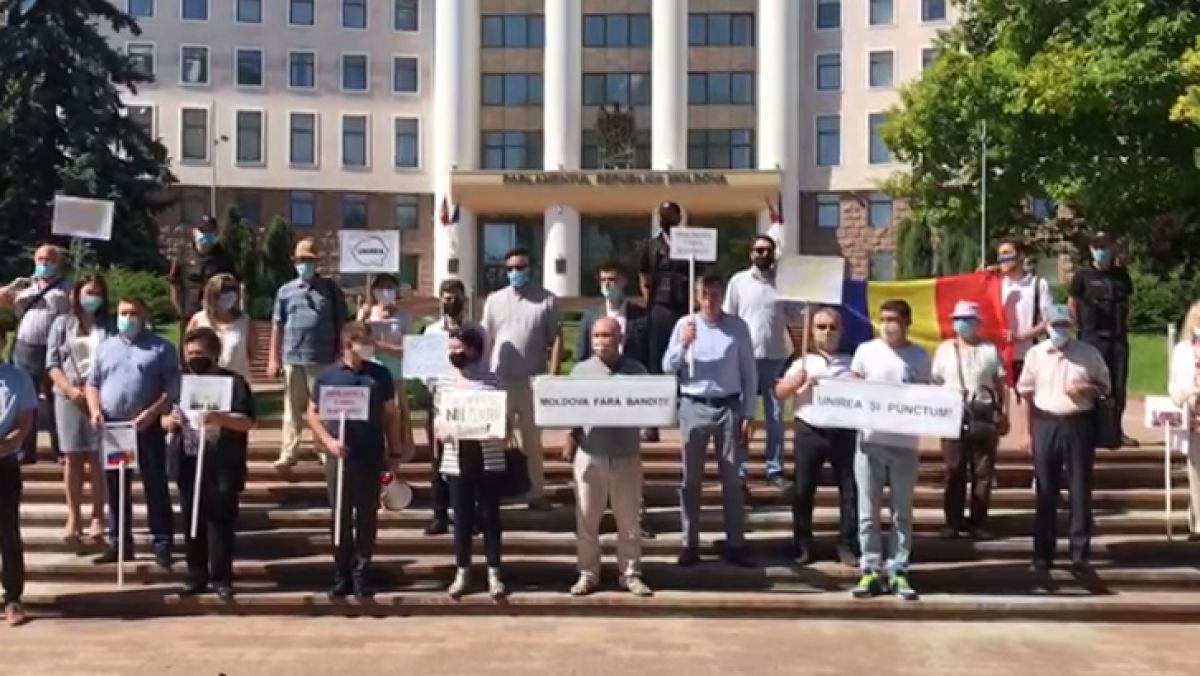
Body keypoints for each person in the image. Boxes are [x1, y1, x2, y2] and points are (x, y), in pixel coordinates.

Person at [307, 323, 409, 600]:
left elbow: (390, 415)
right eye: (363, 342)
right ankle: (342, 573)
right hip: (339, 457)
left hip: (370, 453)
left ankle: (362, 571)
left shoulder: (379, 374)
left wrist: (395, 452)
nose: (368, 347)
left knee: (366, 515)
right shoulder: (328, 376)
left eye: (370, 342)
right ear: (347, 344)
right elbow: (312, 413)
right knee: (340, 515)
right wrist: (328, 441)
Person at [663, 274, 757, 568]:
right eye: (705, 293)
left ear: (722, 296)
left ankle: (736, 543)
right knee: (691, 479)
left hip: (728, 406)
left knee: (732, 479)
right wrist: (683, 345)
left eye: (715, 293)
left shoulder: (737, 328)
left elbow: (749, 373)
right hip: (694, 405)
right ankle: (689, 542)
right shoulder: (685, 324)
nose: (710, 299)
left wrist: (749, 413)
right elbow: (667, 367)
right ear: (697, 296)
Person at [86, 297, 180, 569]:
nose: (128, 318)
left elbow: (172, 388)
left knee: (155, 484)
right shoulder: (106, 348)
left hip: (147, 427)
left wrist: (152, 412)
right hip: (115, 428)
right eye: (123, 313)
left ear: (144, 315)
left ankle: (162, 542)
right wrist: (95, 410)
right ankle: (119, 543)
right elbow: (93, 383)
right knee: (116, 486)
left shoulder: (161, 348)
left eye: (133, 313)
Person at [1017, 304, 1110, 579]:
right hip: (1046, 422)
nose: (1059, 330)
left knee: (1080, 489)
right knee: (1045, 489)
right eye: (1055, 325)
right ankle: (1043, 554)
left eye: (1064, 325)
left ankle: (1080, 554)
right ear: (1046, 326)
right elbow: (1025, 393)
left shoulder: (1088, 354)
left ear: (1072, 327)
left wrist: (1086, 388)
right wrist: (1026, 432)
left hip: (1078, 423)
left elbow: (1105, 388)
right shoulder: (1036, 355)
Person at [563, 317, 653, 597]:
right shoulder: (580, 372)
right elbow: (570, 408)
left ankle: (630, 574)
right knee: (587, 521)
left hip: (626, 454)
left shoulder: (637, 372)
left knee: (629, 522)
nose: (601, 341)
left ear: (620, 339)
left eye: (607, 335)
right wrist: (570, 436)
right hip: (591, 454)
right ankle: (588, 573)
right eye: (597, 335)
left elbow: (650, 406)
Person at [849, 299, 931, 601]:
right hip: (869, 442)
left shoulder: (920, 356)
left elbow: (927, 396)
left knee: (901, 514)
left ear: (907, 323)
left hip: (904, 444)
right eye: (883, 319)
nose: (887, 325)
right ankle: (870, 569)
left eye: (893, 319)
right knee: (868, 513)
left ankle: (899, 570)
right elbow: (852, 387)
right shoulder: (865, 351)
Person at [166, 328, 256, 600]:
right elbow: (165, 417)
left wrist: (220, 418)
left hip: (222, 462)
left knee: (221, 521)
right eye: (190, 353)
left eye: (200, 353)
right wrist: (169, 422)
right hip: (188, 459)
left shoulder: (234, 382)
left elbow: (248, 421)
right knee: (191, 520)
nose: (194, 358)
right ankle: (196, 575)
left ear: (214, 354)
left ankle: (221, 577)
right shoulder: (179, 382)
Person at [576, 261, 656, 539]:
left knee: (629, 465)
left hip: (629, 398)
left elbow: (649, 357)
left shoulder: (641, 316)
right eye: (603, 280)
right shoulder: (591, 317)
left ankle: (637, 518)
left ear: (623, 281)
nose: (608, 284)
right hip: (596, 401)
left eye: (612, 279)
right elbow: (582, 357)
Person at [774, 306, 858, 567]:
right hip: (809, 429)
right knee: (803, 489)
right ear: (812, 330)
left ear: (841, 331)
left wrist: (858, 384)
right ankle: (803, 544)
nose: (827, 332)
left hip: (844, 431)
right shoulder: (801, 360)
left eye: (832, 327)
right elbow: (779, 392)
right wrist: (795, 383)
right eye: (821, 327)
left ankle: (847, 544)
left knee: (850, 490)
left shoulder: (853, 361)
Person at [429, 327, 509, 600]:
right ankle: (462, 570)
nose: (454, 353)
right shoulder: (443, 384)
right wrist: (440, 430)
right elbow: (439, 418)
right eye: (450, 348)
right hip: (456, 459)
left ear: (474, 349)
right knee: (461, 519)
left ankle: (494, 572)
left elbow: (502, 418)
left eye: (458, 348)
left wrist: (498, 427)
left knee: (490, 518)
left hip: (488, 457)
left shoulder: (492, 381)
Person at [481, 247, 562, 511]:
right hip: (499, 381)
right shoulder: (494, 300)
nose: (515, 272)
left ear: (531, 269)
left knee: (532, 441)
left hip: (532, 382)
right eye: (510, 268)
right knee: (496, 439)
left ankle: (536, 492)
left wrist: (551, 377)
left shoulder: (547, 300)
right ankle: (498, 490)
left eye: (520, 267)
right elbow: (487, 339)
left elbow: (556, 340)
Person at [724, 234, 804, 492]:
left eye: (768, 250)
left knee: (776, 417)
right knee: (742, 416)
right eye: (759, 250)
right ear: (751, 253)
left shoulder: (783, 283)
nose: (764, 254)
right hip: (744, 358)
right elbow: (728, 317)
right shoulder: (738, 282)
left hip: (776, 357)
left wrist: (809, 295)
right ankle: (739, 472)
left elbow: (797, 315)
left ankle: (775, 469)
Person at [931, 301, 1008, 541]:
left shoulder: (990, 349)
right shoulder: (944, 349)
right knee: (954, 470)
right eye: (958, 319)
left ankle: (979, 522)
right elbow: (935, 382)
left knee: (983, 472)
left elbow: (1000, 384)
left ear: (978, 323)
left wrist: (1002, 413)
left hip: (983, 412)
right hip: (953, 413)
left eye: (967, 319)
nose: (962, 324)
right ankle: (952, 522)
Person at [269, 238, 348, 470]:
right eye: (301, 260)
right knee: (292, 408)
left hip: (323, 359)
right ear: (295, 263)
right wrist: (273, 358)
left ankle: (323, 449)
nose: (305, 265)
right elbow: (277, 325)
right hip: (293, 358)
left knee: (323, 408)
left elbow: (342, 323)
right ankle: (288, 452)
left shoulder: (330, 290)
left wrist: (342, 353)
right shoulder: (285, 291)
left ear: (317, 263)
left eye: (309, 261)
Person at [46, 274, 111, 545]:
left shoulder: (109, 325)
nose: (92, 298)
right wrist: (70, 390)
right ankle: (73, 517)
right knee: (73, 457)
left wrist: (96, 391)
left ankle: (98, 516)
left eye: (97, 293)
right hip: (68, 396)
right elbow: (52, 363)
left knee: (96, 457)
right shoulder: (61, 323)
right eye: (87, 292)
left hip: (100, 396)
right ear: (76, 294)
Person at [421, 278, 483, 536]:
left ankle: (470, 515)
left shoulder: (476, 330)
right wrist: (437, 388)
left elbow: (483, 364)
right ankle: (440, 514)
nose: (452, 302)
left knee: (470, 461)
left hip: (468, 402)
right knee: (438, 461)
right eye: (447, 298)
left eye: (456, 297)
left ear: (464, 300)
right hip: (440, 402)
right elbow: (423, 368)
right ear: (440, 300)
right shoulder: (431, 332)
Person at [0, 243, 71, 464]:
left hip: (54, 348)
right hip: (25, 347)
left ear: (57, 263)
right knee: (24, 400)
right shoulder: (24, 285)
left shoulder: (66, 286)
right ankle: (24, 451)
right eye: (40, 259)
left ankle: (61, 449)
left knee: (55, 398)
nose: (44, 264)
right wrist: (8, 291)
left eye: (49, 260)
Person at [1068, 232, 1135, 447]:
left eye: (1104, 247)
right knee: (1091, 384)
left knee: (1118, 385)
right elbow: (1072, 303)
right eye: (1097, 247)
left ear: (1112, 248)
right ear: (1091, 249)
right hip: (1092, 337)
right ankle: (1090, 430)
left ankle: (1115, 431)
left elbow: (1128, 302)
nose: (1101, 251)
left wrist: (1126, 323)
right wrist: (1075, 327)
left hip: (1117, 338)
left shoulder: (1121, 274)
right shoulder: (1083, 275)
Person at [637, 201, 690, 442]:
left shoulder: (691, 242)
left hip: (684, 308)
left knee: (686, 361)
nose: (666, 217)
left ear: (679, 217)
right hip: (660, 308)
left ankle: (686, 417)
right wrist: (650, 303)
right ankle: (652, 422)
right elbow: (644, 277)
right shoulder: (651, 246)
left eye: (671, 213)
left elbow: (699, 273)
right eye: (663, 214)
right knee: (657, 362)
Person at [0, 322, 37, 626]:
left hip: (4, 463)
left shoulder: (18, 378)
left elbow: (24, 423)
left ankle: (13, 597)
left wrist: (9, 443)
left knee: (8, 532)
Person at [356, 274, 414, 458]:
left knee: (396, 415)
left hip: (395, 375)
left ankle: (398, 455)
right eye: (381, 288)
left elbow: (409, 350)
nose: (385, 292)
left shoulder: (403, 317)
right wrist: (362, 319)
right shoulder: (367, 314)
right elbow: (356, 342)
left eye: (389, 287)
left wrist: (382, 347)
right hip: (371, 375)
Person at [994, 239, 1051, 385]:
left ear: (1020, 256)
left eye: (1007, 253)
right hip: (1000, 358)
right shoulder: (997, 285)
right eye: (1000, 254)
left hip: (1029, 356)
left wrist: (1020, 336)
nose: (1002, 258)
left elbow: (1048, 321)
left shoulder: (1038, 284)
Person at [1169, 300, 1200, 540]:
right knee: (1197, 472)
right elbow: (1174, 383)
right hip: (1194, 417)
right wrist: (1187, 394)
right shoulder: (1182, 350)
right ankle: (1198, 523)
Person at [169, 215, 239, 320]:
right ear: (194, 232)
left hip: (217, 315)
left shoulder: (225, 258)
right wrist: (180, 310)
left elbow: (235, 285)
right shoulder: (183, 256)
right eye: (203, 231)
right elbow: (174, 284)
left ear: (216, 233)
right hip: (190, 315)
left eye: (210, 231)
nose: (206, 234)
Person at [187, 273, 253, 381]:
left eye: (233, 289)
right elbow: (188, 352)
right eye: (224, 289)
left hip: (237, 381)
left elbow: (252, 354)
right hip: (205, 381)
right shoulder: (198, 320)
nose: (229, 293)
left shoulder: (245, 321)